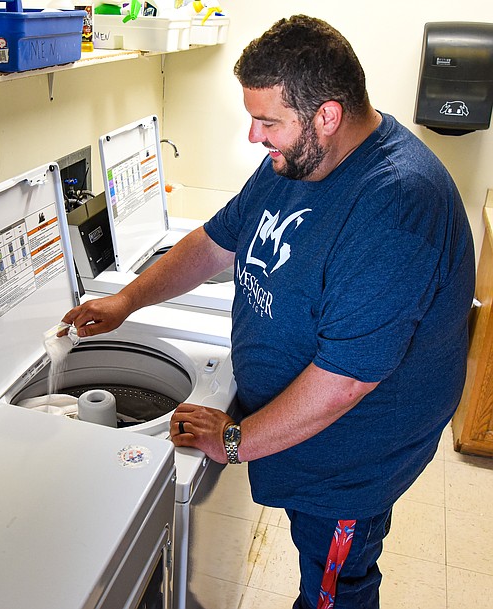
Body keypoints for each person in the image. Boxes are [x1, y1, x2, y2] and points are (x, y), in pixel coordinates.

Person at [62, 14, 476, 609]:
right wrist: (129, 299)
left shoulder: (396, 204)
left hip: (349, 457)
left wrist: (235, 441)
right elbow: (217, 240)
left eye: (267, 121)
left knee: (336, 585)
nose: (254, 135)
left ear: (326, 116)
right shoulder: (297, 161)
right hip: (308, 430)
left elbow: (347, 380)